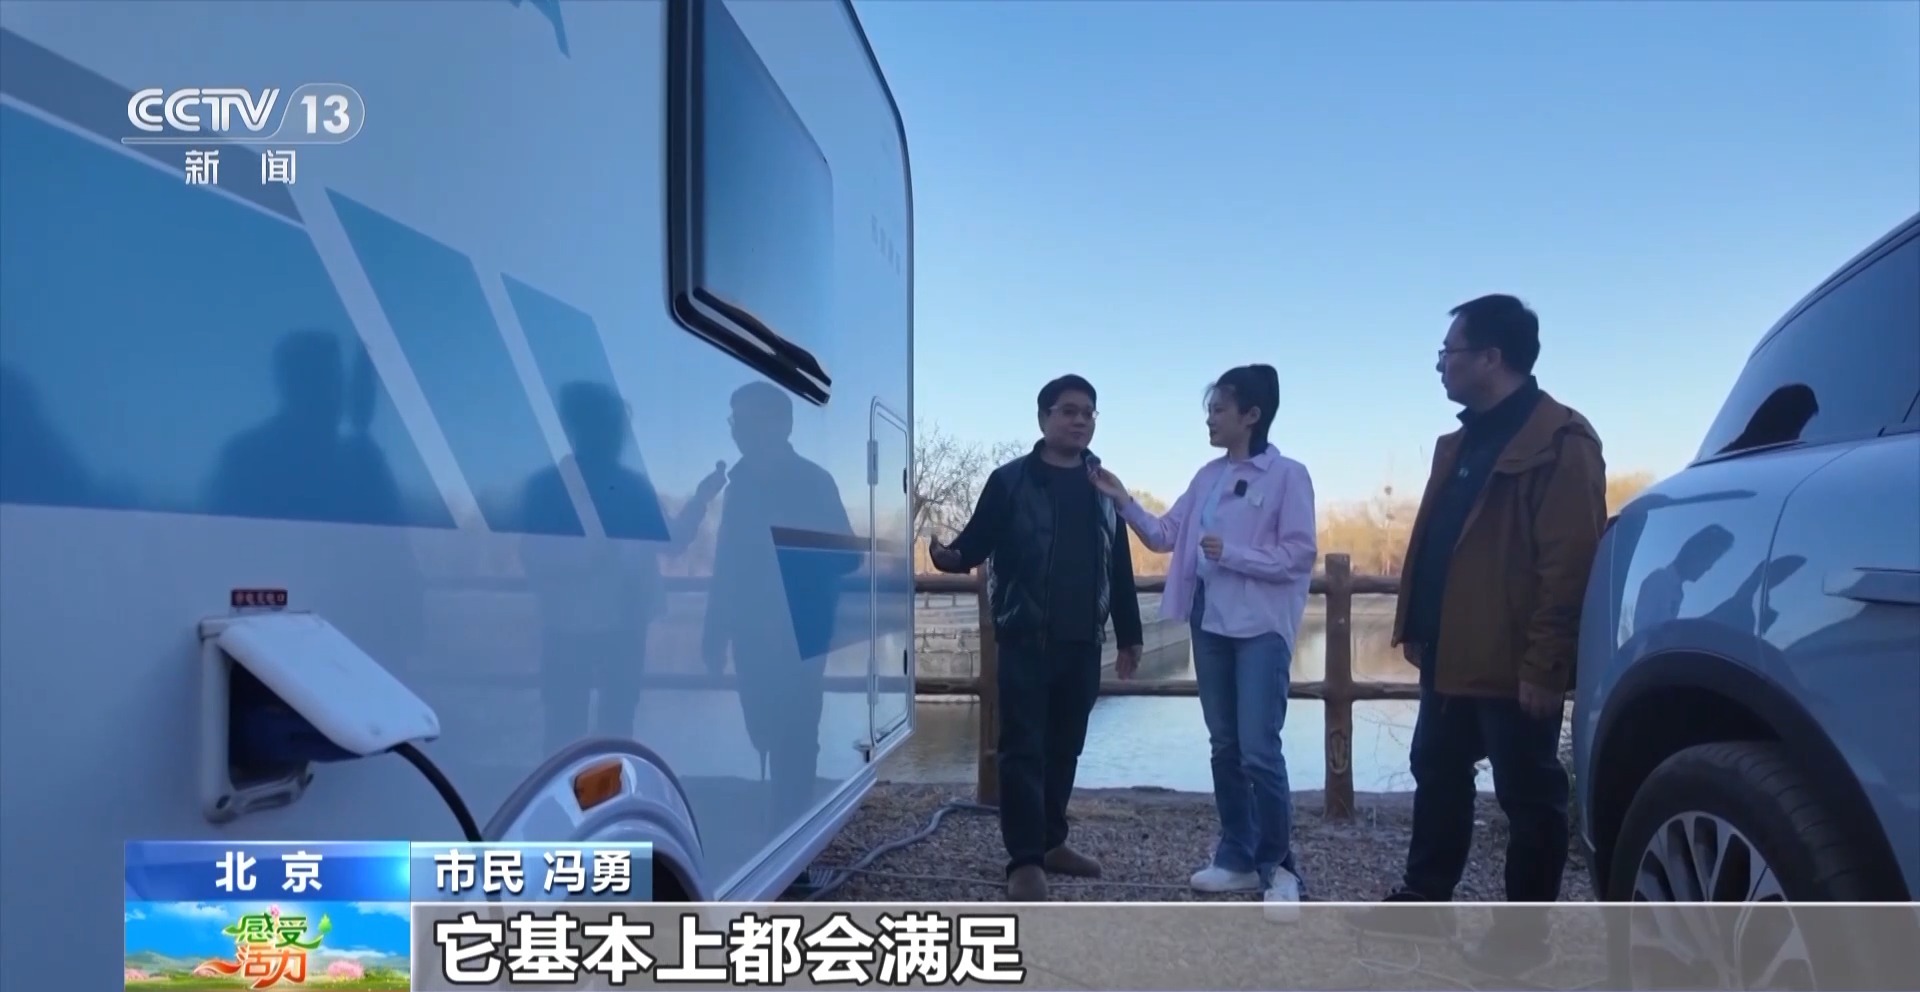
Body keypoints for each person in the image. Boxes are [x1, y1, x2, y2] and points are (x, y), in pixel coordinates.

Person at [1356, 294, 1607, 971]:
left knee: (1529, 798)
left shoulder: (1561, 440)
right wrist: (1416, 625)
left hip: (1512, 659)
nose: (1441, 365)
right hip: (1450, 651)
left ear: (1492, 358)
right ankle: (1425, 902)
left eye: (1450, 352)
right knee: (1437, 771)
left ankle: (1523, 940)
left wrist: (1545, 665)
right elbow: (1440, 542)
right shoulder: (1461, 441)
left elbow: (1569, 563)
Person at [1089, 364, 1318, 918]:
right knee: (1225, 747)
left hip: (1261, 629)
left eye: (1219, 409)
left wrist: (1232, 554)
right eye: (1209, 410)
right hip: (1209, 624)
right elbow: (1165, 535)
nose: (1210, 420)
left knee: (1259, 750)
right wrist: (1122, 500)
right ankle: (1237, 855)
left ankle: (1279, 867)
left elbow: (1299, 556)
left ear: (1252, 415)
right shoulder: (1207, 477)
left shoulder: (1288, 476)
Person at [929, 374, 1145, 901]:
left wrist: (1129, 634)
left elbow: (1118, 564)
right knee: (1022, 748)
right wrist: (950, 557)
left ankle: (1052, 842)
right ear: (1044, 417)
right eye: (1069, 411)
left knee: (1066, 746)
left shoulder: (1103, 486)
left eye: (1089, 413)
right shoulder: (1010, 481)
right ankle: (1024, 859)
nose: (1080, 421)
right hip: (1025, 637)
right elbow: (976, 541)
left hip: (1083, 639)